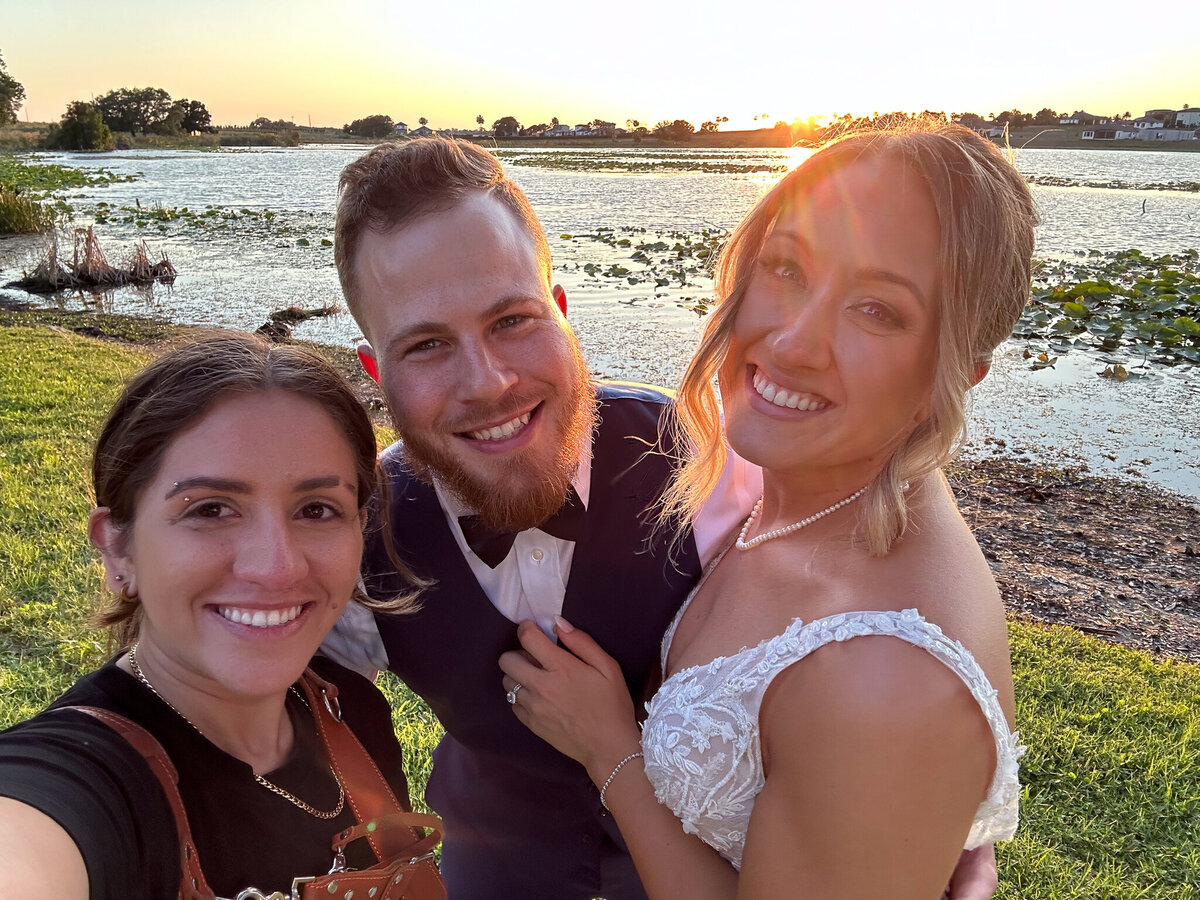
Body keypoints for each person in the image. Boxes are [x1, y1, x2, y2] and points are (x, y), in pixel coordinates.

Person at [324, 136, 1000, 900]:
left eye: (512, 320)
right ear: (378, 372)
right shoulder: (352, 536)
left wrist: (918, 817)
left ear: (562, 312)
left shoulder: (722, 463)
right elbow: (264, 715)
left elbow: (866, 648)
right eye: (426, 344)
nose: (489, 382)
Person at [497, 122, 1034, 899]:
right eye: (787, 267)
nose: (793, 340)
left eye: (877, 310)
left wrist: (612, 751)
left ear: (955, 369)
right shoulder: (805, 490)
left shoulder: (887, 682)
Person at [0, 333, 443, 900]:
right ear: (118, 549)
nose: (276, 567)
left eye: (316, 509)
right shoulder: (91, 781)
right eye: (210, 509)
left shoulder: (356, 713)